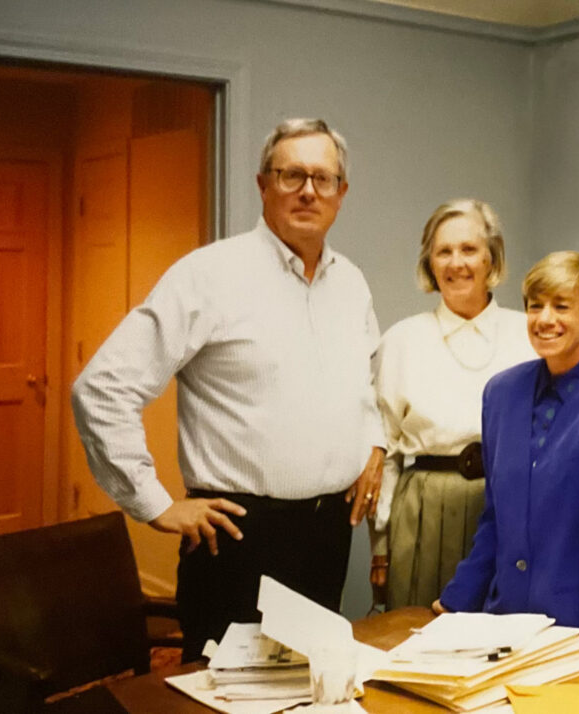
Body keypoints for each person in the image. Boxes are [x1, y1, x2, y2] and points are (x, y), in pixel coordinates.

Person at [71, 118, 386, 661]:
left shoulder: (351, 283)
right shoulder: (208, 275)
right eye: (291, 175)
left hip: (329, 536)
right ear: (263, 185)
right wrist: (154, 504)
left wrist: (373, 444)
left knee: (314, 684)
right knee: (219, 693)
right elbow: (101, 390)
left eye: (323, 178)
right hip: (237, 539)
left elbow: (366, 381)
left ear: (342, 193)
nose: (308, 191)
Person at [435, 251, 579, 662]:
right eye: (535, 305)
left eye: (561, 306)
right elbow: (495, 518)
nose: (544, 319)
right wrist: (459, 598)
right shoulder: (501, 393)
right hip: (504, 622)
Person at [370, 198, 535, 609]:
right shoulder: (402, 341)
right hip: (424, 511)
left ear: (491, 258)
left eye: (469, 249)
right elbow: (385, 452)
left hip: (510, 508)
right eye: (443, 251)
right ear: (429, 263)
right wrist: (380, 546)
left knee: (506, 634)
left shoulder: (528, 334)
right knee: (418, 627)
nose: (456, 263)